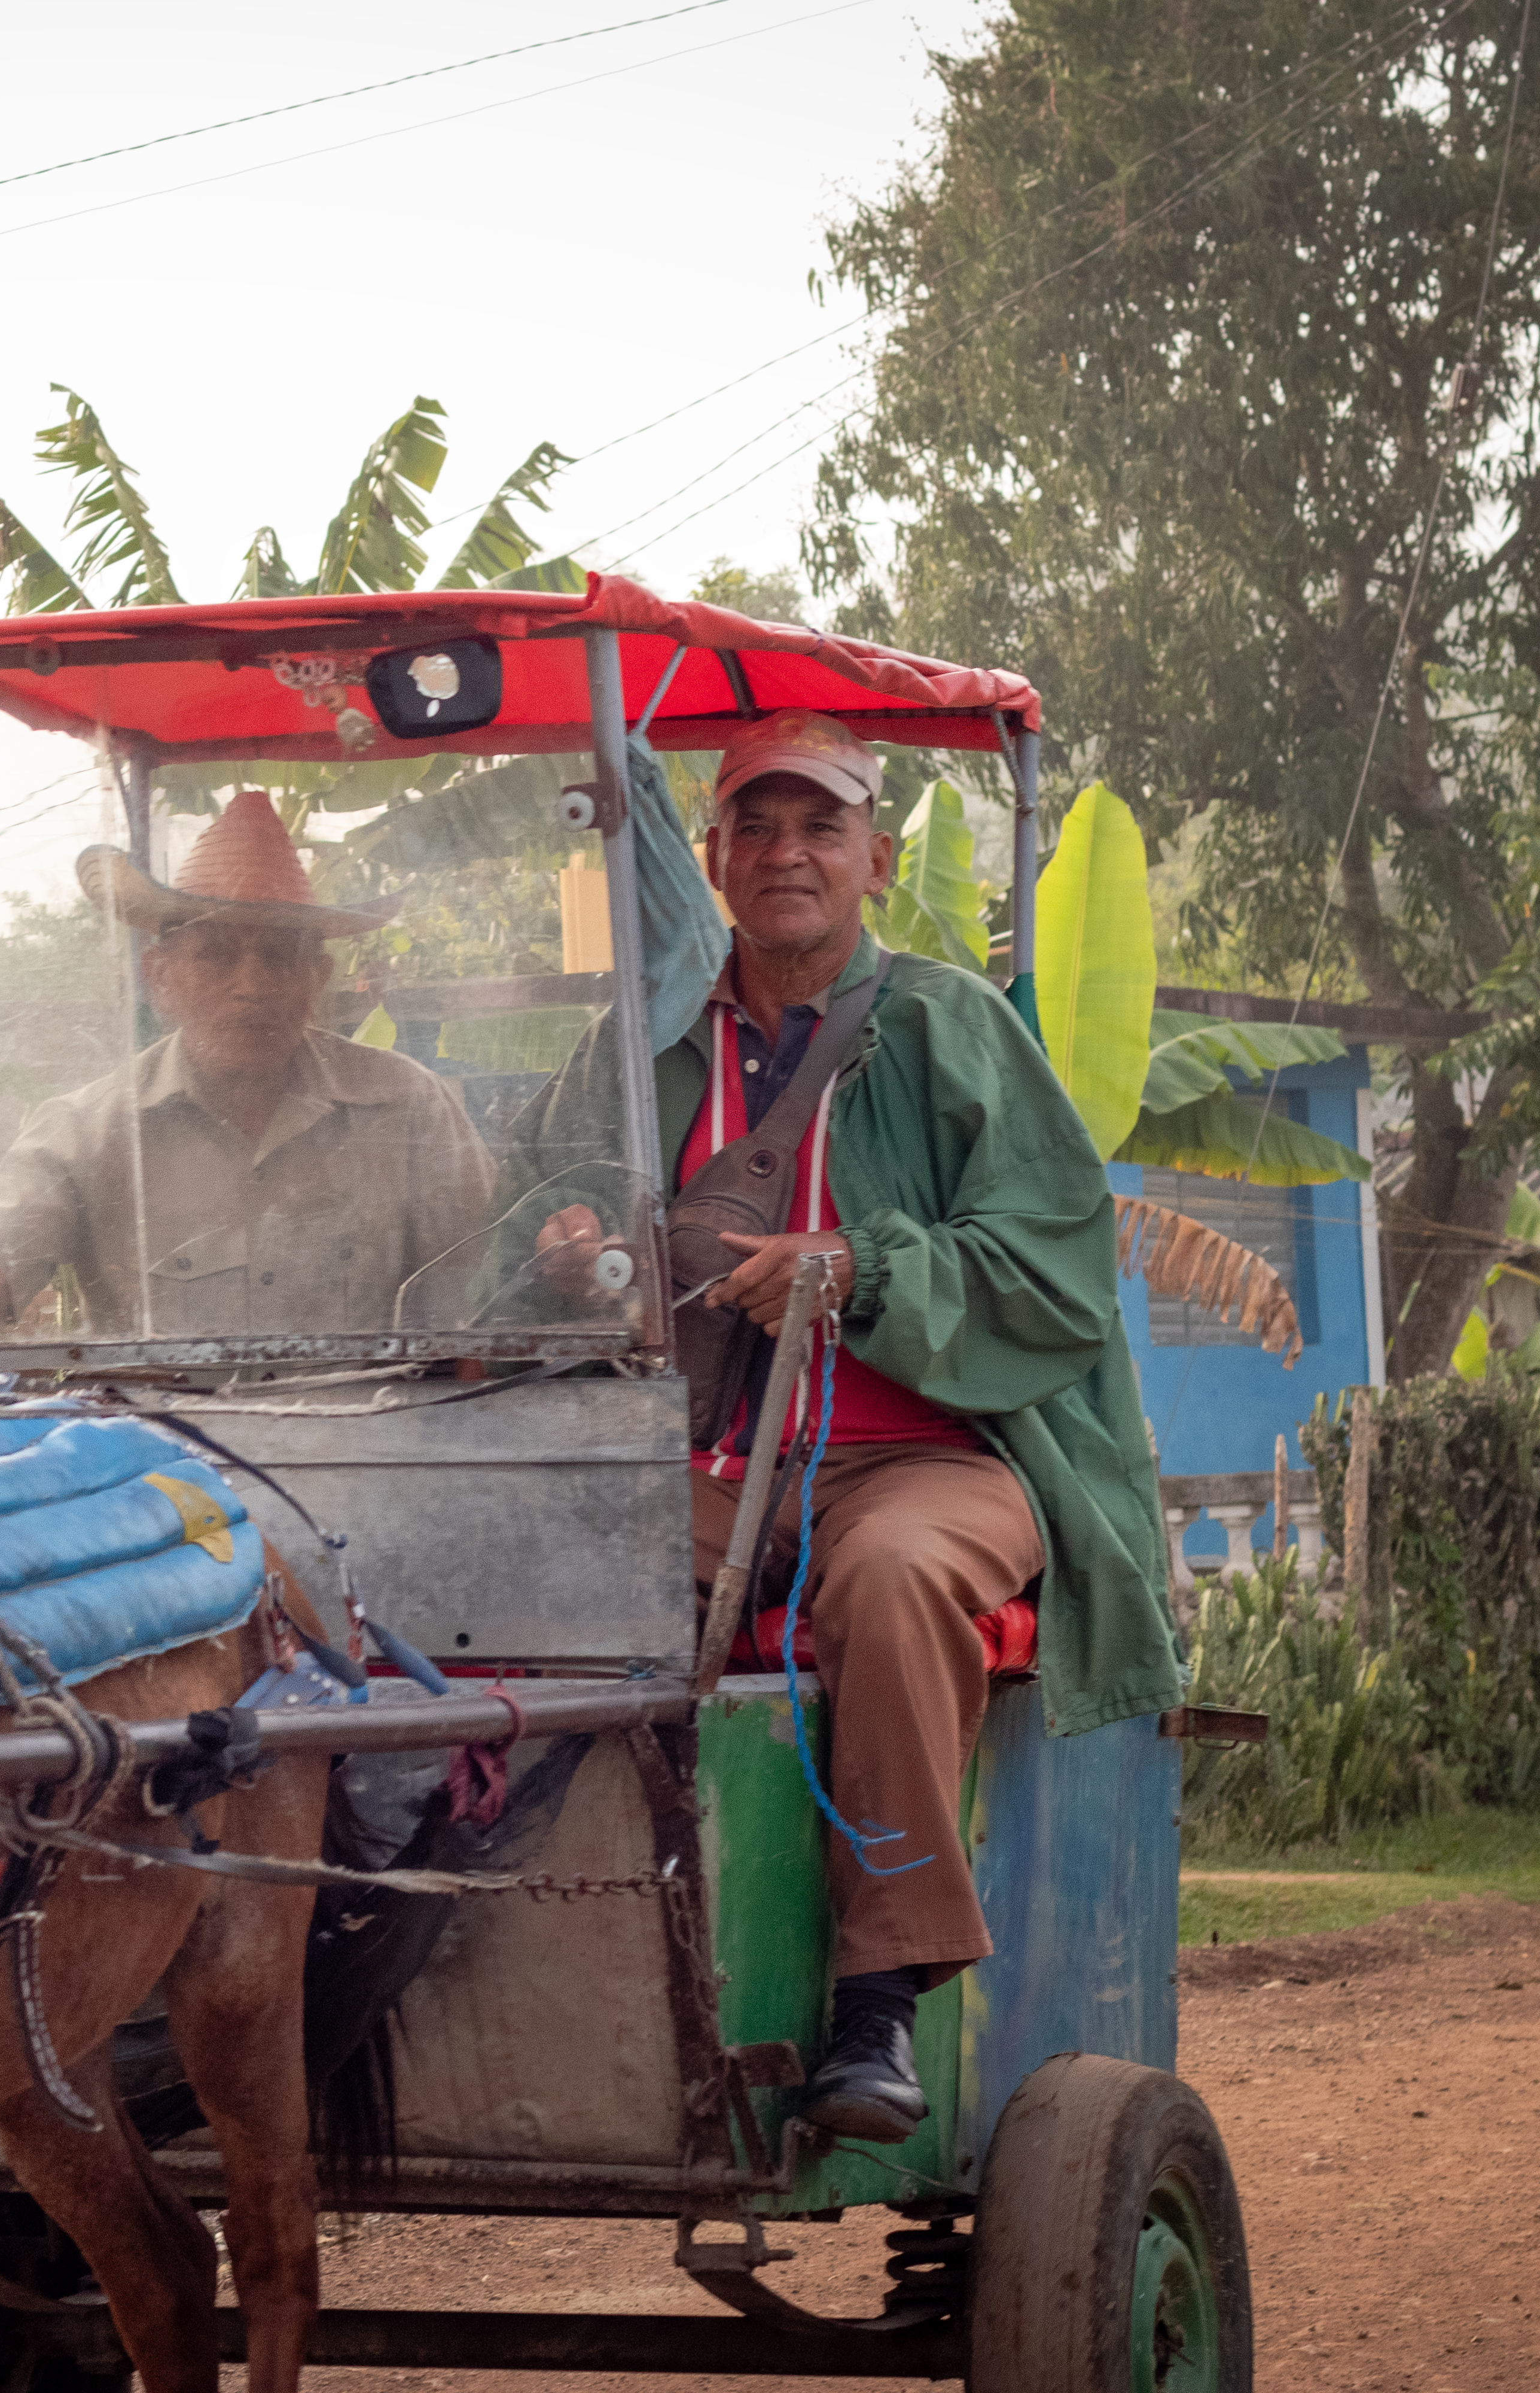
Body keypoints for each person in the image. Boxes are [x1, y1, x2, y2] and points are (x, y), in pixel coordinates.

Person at [505, 709, 1181, 2144]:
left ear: (875, 857)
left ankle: (877, 2005)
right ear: (713, 856)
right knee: (510, 1563)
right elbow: (519, 1220)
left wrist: (859, 1264)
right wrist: (557, 1248)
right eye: (755, 826)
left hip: (930, 1465)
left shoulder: (951, 1026)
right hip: (696, 1474)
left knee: (885, 1578)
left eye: (819, 827)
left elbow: (1053, 1263)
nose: (786, 853)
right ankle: (517, 1966)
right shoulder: (641, 1049)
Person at [0, 789, 490, 1342]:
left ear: (317, 978)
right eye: (217, 954)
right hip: (161, 1483)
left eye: (279, 956)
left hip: (373, 1463)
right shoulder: (84, 1133)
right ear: (160, 977)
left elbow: (489, 1294)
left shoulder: (410, 1110)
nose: (251, 984)